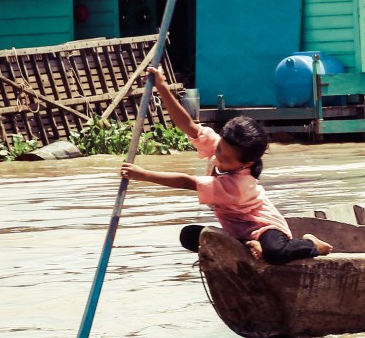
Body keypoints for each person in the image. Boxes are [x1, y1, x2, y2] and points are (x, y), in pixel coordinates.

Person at [119, 66, 332, 265]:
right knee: (189, 236)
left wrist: (144, 175)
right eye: (219, 150)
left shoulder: (239, 184)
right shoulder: (222, 145)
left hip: (265, 229)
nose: (219, 158)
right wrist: (162, 87)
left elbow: (187, 182)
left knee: (275, 254)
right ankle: (246, 247)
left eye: (227, 159)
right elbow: (188, 125)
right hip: (236, 232)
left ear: (246, 163)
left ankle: (311, 244)